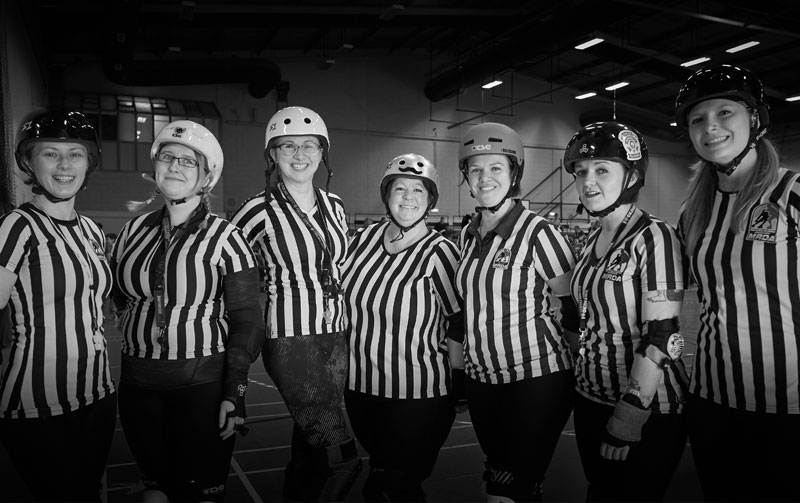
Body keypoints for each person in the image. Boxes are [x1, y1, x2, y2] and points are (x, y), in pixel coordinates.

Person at [111, 120, 263, 502]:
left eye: (188, 161)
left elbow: (247, 320)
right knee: (155, 492)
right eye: (168, 157)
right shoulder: (132, 231)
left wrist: (237, 390)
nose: (175, 166)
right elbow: (118, 294)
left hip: (201, 389)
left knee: (200, 495)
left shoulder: (228, 237)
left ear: (206, 176)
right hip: (138, 386)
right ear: (156, 165)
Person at [674, 64, 800, 502]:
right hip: (711, 400)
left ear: (755, 119)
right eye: (697, 119)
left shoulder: (792, 194)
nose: (711, 128)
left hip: (788, 406)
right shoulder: (693, 212)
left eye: (725, 112)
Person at [231, 106, 362, 502]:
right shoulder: (256, 210)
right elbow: (227, 267)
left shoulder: (335, 204)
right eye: (287, 146)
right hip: (290, 338)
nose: (299, 154)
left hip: (335, 335)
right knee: (341, 457)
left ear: (323, 153)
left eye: (309, 146)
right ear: (273, 154)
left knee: (309, 448)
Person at [562, 121, 689, 501]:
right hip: (591, 398)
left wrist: (629, 414)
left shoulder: (654, 236)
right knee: (599, 493)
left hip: (646, 408)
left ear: (631, 175)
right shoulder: (592, 238)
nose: (588, 181)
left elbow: (663, 335)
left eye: (602, 169)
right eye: (581, 171)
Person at [454, 122, 577, 502]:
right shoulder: (467, 233)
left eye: (495, 168)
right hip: (483, 381)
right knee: (501, 475)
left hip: (536, 379)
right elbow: (464, 309)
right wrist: (460, 374)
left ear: (514, 174)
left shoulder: (539, 233)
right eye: (475, 169)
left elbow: (573, 306)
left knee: (506, 488)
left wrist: (577, 365)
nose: (484, 177)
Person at [0, 110, 116, 502]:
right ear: (29, 162)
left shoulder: (92, 230)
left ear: (88, 163)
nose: (65, 165)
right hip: (39, 408)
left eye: (75, 154)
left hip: (97, 396)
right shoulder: (16, 227)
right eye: (50, 154)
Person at [341, 153, 463, 501]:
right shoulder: (362, 241)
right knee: (384, 474)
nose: (408, 197)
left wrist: (459, 378)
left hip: (418, 396)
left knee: (390, 488)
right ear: (386, 194)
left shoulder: (441, 252)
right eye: (400, 188)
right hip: (361, 388)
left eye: (418, 191)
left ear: (430, 201)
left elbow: (458, 319)